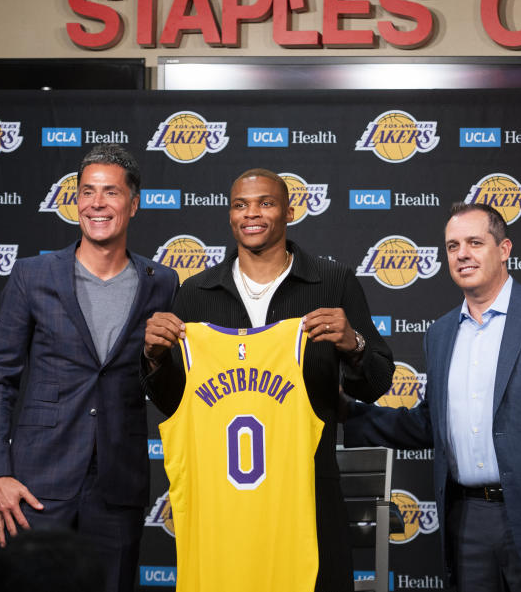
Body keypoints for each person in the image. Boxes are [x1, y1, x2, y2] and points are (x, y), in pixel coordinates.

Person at [344, 203, 521, 592]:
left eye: (475, 242)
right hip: (467, 521)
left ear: (505, 249)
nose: (462, 254)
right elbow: (430, 424)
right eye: (452, 245)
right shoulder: (441, 333)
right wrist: (345, 411)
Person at [142, 168, 394, 592]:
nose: (251, 213)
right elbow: (175, 403)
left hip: (308, 494)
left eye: (265, 203)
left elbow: (375, 382)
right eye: (240, 205)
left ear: (289, 212)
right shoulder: (196, 293)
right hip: (220, 506)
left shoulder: (332, 282)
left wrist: (354, 344)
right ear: (229, 215)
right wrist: (153, 359)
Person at [0, 144, 178, 592]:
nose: (97, 203)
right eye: (87, 192)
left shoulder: (161, 282)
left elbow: (166, 385)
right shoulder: (33, 275)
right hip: (35, 483)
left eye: (110, 192)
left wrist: (155, 358)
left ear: (134, 202)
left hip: (118, 484)